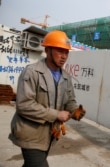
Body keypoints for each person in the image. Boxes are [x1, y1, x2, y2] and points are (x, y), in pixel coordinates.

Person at [8, 30, 85, 167]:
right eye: (60, 51)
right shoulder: (32, 72)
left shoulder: (66, 77)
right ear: (47, 49)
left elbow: (70, 101)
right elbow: (24, 105)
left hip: (50, 135)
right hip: (30, 134)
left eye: (66, 52)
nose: (64, 56)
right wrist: (57, 114)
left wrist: (74, 111)